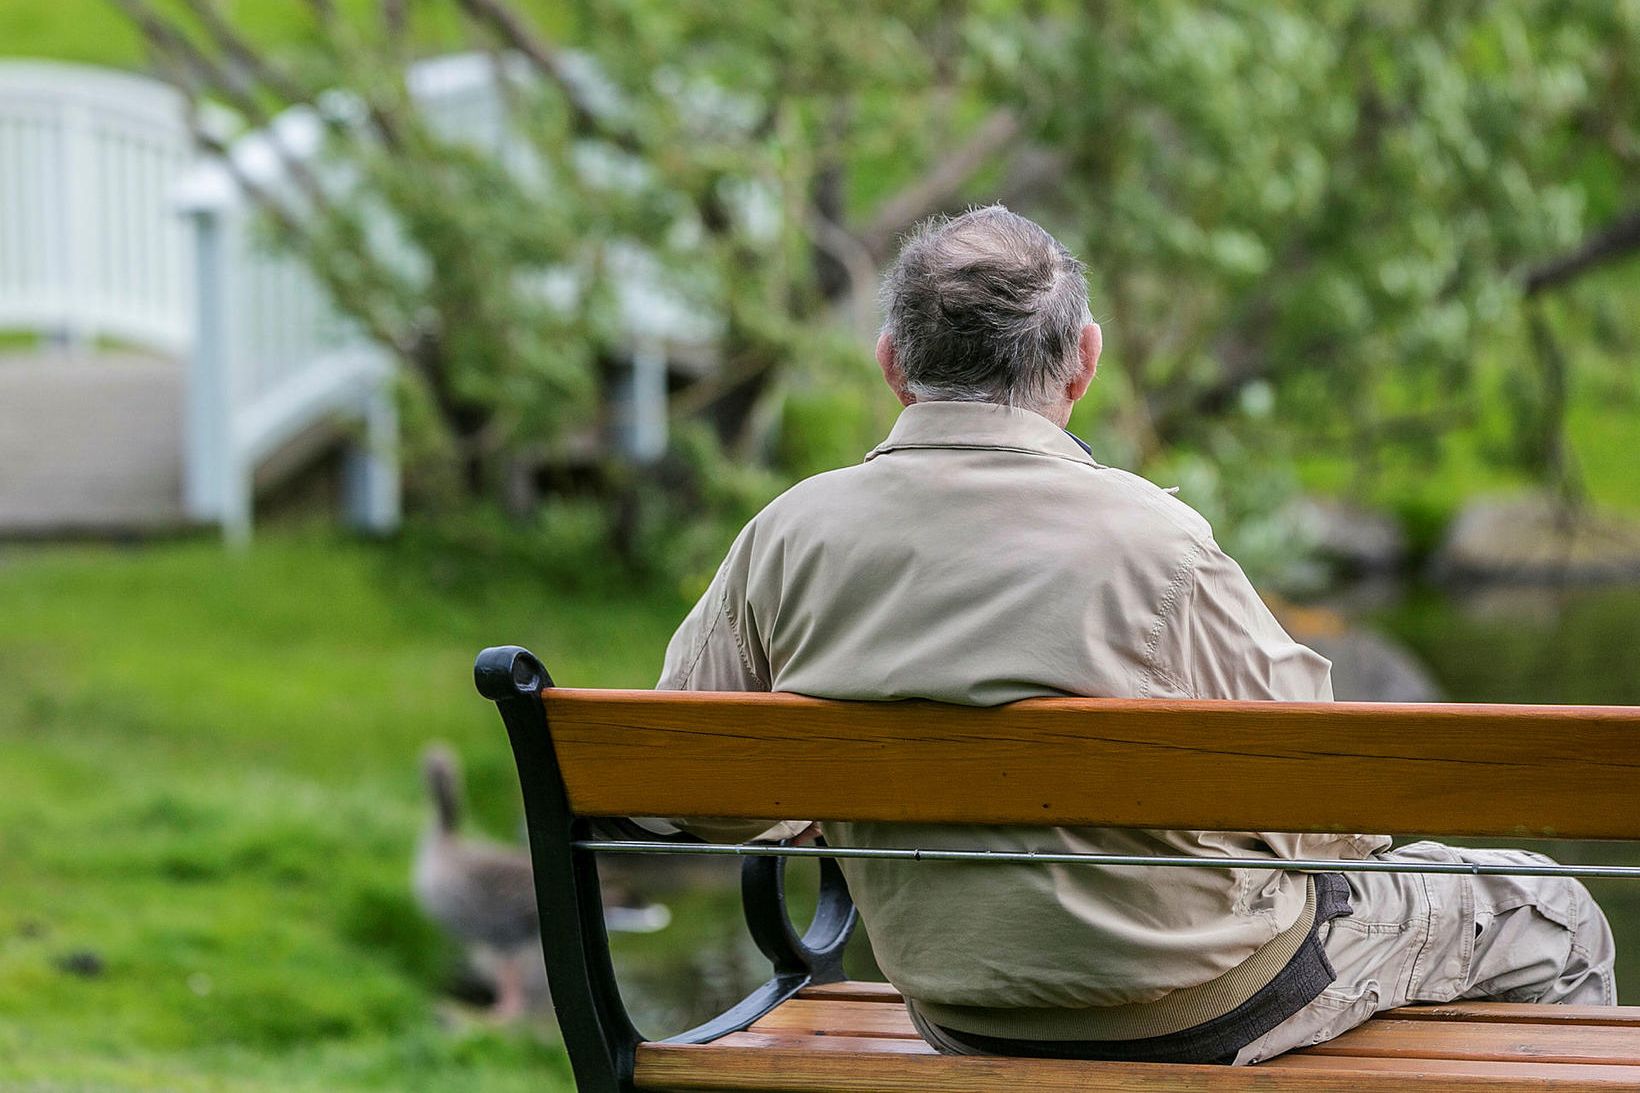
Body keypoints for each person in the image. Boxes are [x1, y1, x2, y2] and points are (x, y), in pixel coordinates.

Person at [654, 205, 1616, 1065]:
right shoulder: (1155, 542)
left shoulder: (785, 535)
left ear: (893, 364)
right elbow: (1334, 809)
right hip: (1197, 1006)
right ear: (1083, 359)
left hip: (955, 1007)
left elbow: (696, 791)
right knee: (1544, 909)